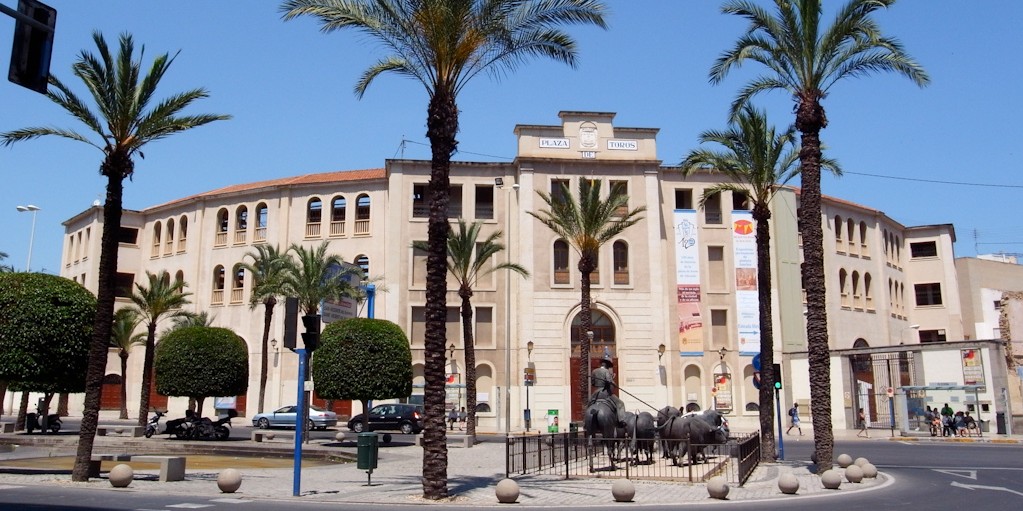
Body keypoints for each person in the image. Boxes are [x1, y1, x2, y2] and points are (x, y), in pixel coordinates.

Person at [589, 354, 627, 427]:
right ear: (607, 365)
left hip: (596, 394)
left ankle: (585, 423)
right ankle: (621, 421)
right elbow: (610, 382)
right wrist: (613, 382)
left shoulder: (594, 371)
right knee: (620, 404)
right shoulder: (606, 371)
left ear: (601, 364)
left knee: (589, 404)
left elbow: (593, 383)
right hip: (605, 393)